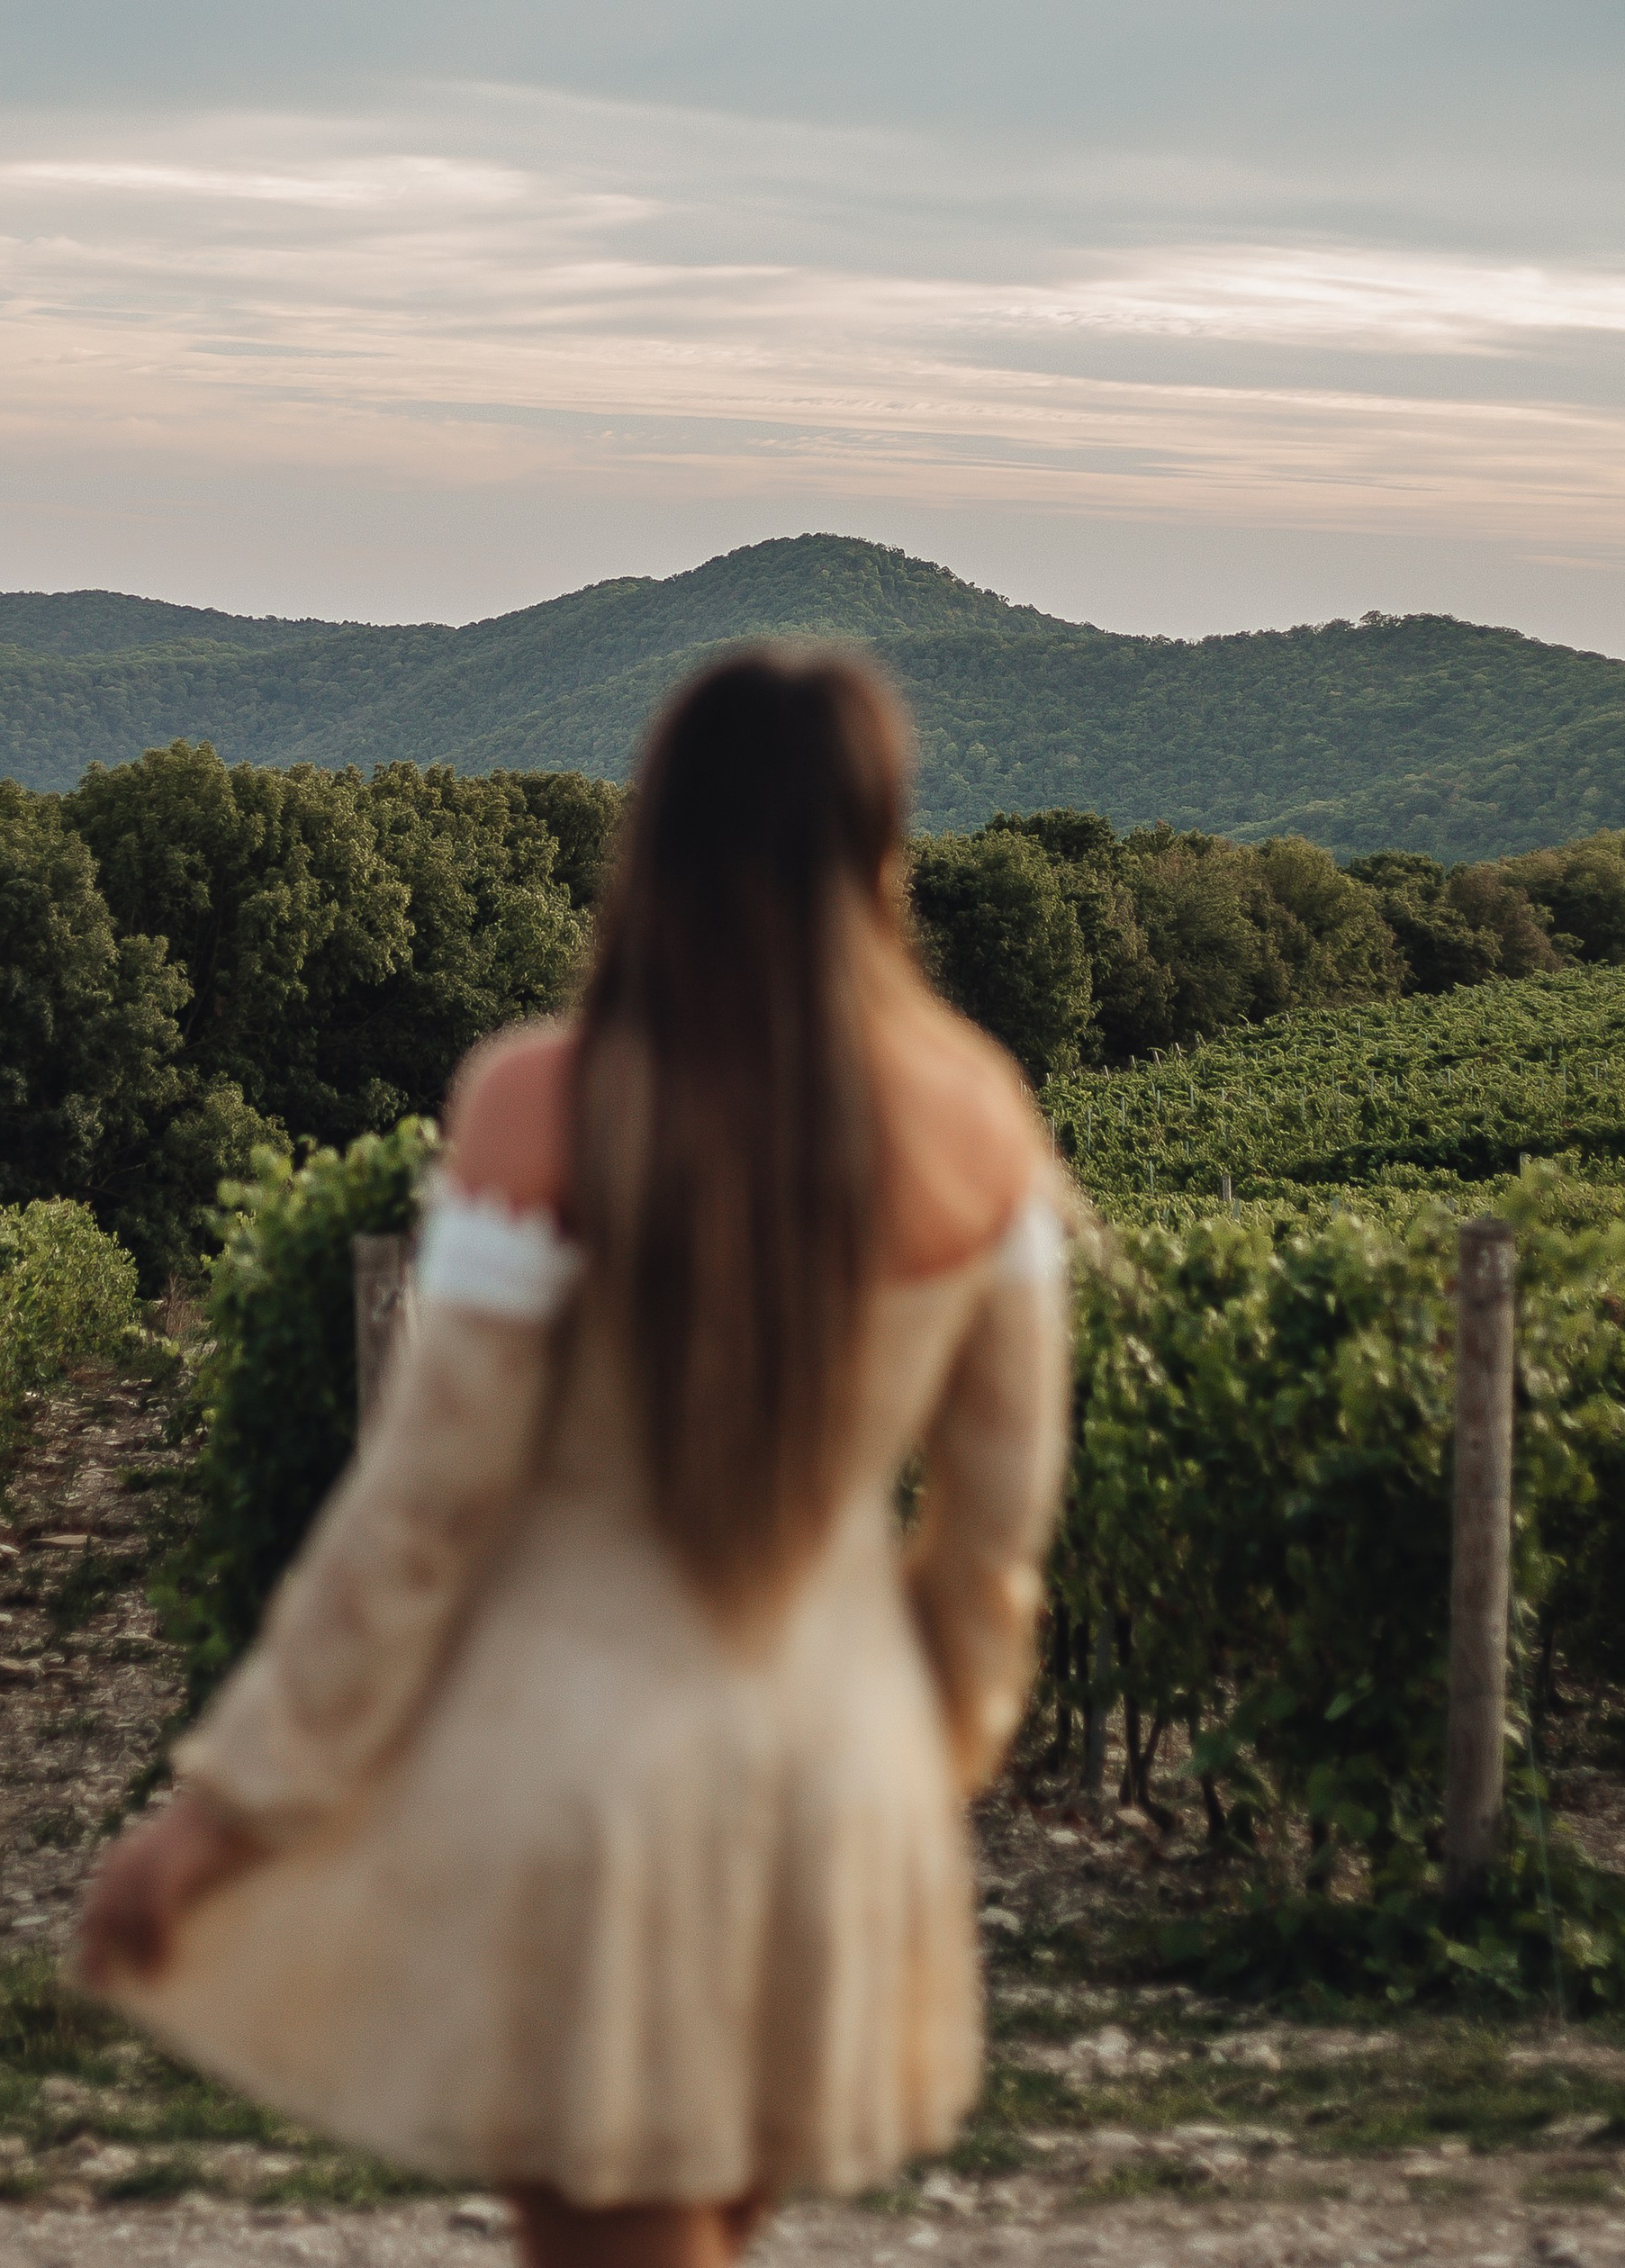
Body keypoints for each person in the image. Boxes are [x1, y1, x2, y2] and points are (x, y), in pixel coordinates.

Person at [76, 649, 1072, 2268]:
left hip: (577, 1781)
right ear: (879, 850)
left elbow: (423, 1512)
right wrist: (927, 1752)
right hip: (842, 1771)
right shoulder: (980, 1124)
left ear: (652, 840)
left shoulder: (544, 1104)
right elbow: (994, 1535)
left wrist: (227, 1810)